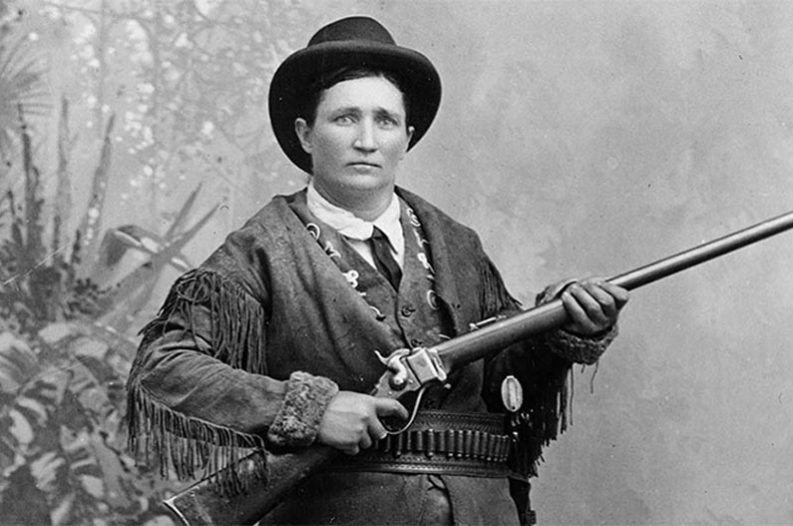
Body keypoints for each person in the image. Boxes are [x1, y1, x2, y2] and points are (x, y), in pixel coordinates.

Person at [126, 16, 629, 525]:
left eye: (385, 121)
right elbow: (163, 370)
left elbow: (501, 378)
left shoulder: (459, 245)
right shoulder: (259, 251)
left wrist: (564, 325)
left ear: (406, 138)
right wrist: (309, 409)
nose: (367, 140)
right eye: (345, 118)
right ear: (305, 134)